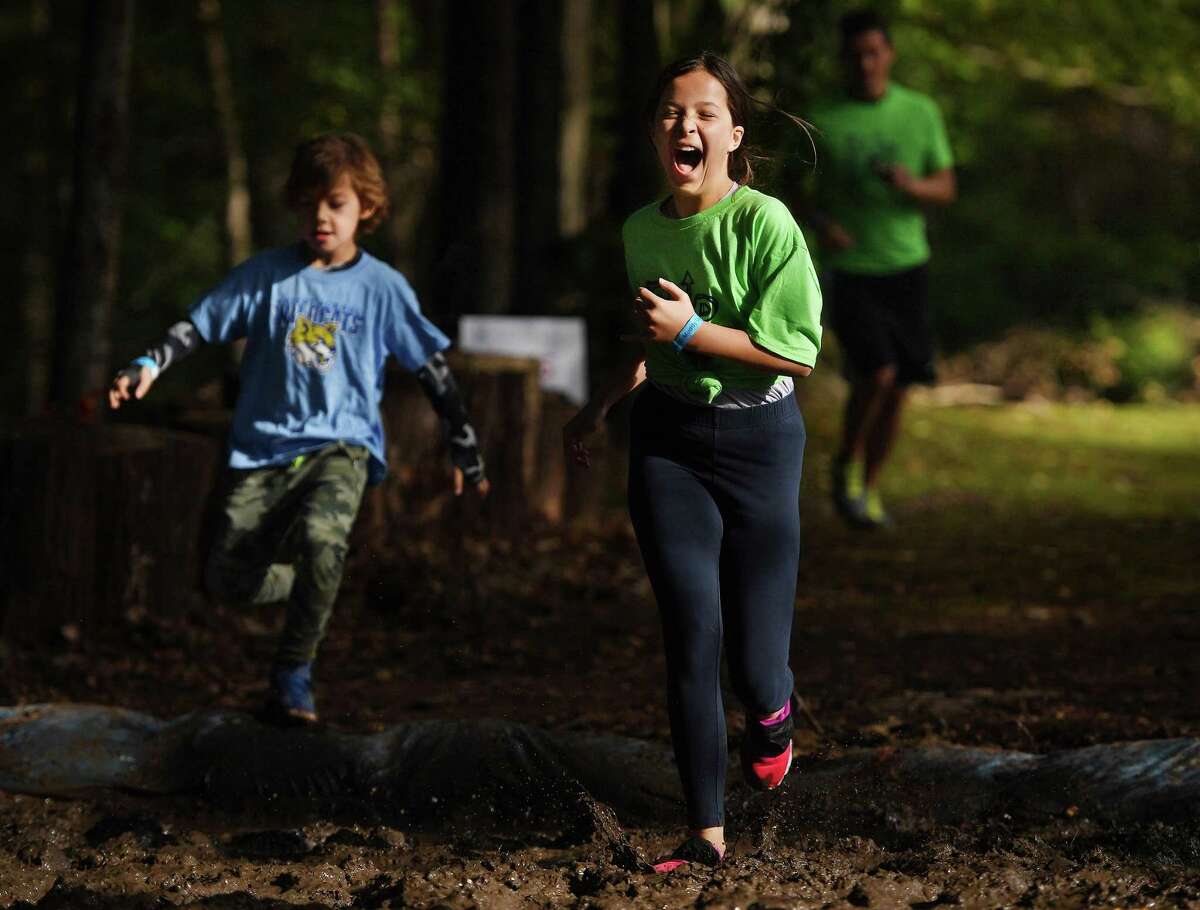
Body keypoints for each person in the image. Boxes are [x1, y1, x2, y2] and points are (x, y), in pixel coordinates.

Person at [109, 133, 489, 725]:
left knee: (322, 538)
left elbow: (432, 368)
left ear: (365, 207)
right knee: (228, 580)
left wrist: (463, 444)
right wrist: (149, 363)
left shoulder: (382, 288)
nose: (321, 216)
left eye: (335, 203)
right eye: (310, 201)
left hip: (342, 444)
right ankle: (312, 582)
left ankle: (293, 673)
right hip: (261, 447)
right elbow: (199, 324)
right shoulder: (266, 276)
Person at [563, 53, 822, 873]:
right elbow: (654, 342)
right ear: (654, 133)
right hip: (670, 443)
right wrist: (603, 402)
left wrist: (689, 335)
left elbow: (795, 355)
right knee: (690, 636)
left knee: (753, 663)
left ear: (733, 135)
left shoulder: (766, 224)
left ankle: (774, 710)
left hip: (762, 446)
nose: (688, 126)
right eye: (673, 113)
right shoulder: (642, 230)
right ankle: (704, 834)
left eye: (706, 113)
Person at [805, 9, 955, 528]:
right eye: (855, 55)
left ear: (889, 54)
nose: (866, 63)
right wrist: (823, 224)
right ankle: (844, 462)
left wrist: (913, 186)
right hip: (850, 267)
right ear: (844, 60)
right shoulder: (823, 119)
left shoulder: (920, 112)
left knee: (900, 385)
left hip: (907, 263)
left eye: (874, 52)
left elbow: (946, 186)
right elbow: (795, 197)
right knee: (877, 371)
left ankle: (867, 489)